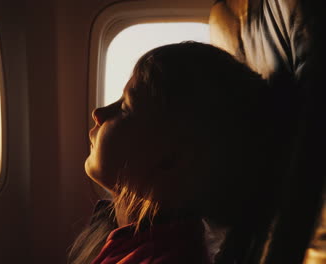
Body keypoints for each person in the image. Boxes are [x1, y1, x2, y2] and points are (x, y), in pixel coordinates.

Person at [69, 42, 281, 264]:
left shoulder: (166, 257)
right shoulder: (125, 238)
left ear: (172, 160)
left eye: (125, 107)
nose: (98, 113)